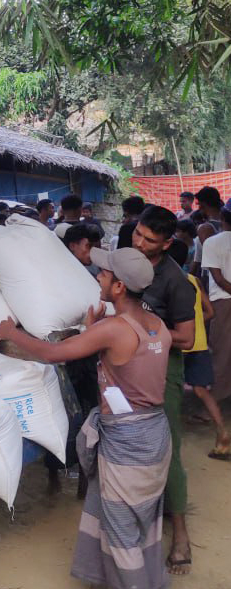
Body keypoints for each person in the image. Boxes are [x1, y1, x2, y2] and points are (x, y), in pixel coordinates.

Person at [0, 247, 171, 589]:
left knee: (122, 532)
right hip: (154, 436)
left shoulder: (115, 330)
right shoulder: (156, 324)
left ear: (119, 287)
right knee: (142, 520)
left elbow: (52, 353)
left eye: (104, 275)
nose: (98, 277)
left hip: (127, 444)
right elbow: (126, 363)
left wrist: (10, 333)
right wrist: (95, 328)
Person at [132, 205, 196, 575]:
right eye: (138, 233)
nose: (139, 243)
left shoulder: (175, 281)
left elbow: (186, 338)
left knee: (166, 448)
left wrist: (146, 330)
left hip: (162, 369)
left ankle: (181, 532)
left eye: (149, 240)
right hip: (126, 363)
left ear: (168, 243)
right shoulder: (129, 257)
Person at [167, 240, 231, 460]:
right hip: (198, 343)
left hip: (175, 345)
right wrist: (193, 326)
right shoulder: (193, 280)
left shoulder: (166, 282)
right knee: (201, 390)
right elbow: (210, 313)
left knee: (168, 389)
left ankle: (169, 441)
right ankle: (223, 432)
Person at [200, 208, 231, 414]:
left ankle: (216, 404)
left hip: (223, 301)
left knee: (221, 352)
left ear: (222, 219)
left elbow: (218, 278)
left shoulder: (212, 242)